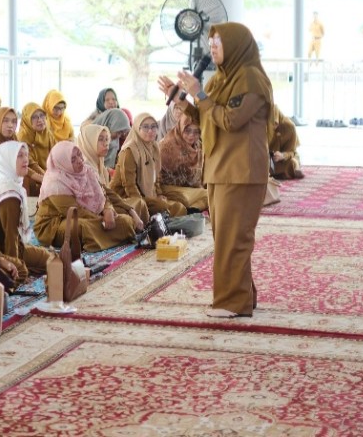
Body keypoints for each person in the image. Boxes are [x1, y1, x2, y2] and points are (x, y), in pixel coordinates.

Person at [159, 21, 273, 318]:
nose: (212, 48)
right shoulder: (220, 80)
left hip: (242, 171)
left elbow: (231, 120)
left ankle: (232, 302)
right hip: (221, 169)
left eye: (217, 43)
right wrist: (182, 98)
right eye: (210, 44)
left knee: (234, 238)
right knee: (225, 237)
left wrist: (199, 94)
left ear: (235, 45)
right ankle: (242, 295)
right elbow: (205, 117)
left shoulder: (251, 79)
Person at [35, 141, 137, 252]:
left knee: (124, 219)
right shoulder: (55, 183)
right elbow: (75, 211)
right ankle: (113, 236)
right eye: (73, 160)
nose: (79, 160)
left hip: (90, 216)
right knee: (84, 227)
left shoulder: (86, 171)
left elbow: (102, 194)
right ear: (63, 163)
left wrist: (108, 210)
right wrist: (102, 219)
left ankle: (108, 235)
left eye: (79, 155)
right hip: (56, 224)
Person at [0, 142, 51, 278]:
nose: (25, 160)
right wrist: (15, 265)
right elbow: (11, 237)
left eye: (26, 155)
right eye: (19, 156)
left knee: (45, 254)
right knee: (51, 260)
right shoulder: (9, 193)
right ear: (7, 160)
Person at [109, 113, 188, 219]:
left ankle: (166, 221)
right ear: (137, 128)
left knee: (181, 199)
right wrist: (142, 204)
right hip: (127, 195)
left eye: (153, 127)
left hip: (149, 192)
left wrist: (158, 194)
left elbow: (156, 176)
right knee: (170, 208)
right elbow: (129, 185)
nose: (150, 131)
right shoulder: (130, 150)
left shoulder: (154, 147)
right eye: (145, 127)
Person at [158, 115, 210, 210]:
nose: (191, 135)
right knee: (208, 195)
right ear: (180, 128)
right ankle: (189, 209)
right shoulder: (168, 147)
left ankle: (191, 210)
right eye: (187, 131)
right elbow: (157, 176)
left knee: (211, 194)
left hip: (189, 190)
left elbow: (201, 174)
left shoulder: (198, 145)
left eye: (196, 132)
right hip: (168, 189)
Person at [16, 102, 53, 195]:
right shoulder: (23, 136)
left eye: (42, 116)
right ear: (27, 120)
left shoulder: (48, 134)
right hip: (32, 175)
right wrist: (47, 177)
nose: (40, 120)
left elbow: (55, 156)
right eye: (34, 117)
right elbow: (30, 164)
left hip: (48, 173)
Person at [268, 104, 303, 180]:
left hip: (285, 158)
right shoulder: (263, 127)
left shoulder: (289, 127)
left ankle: (294, 169)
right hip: (268, 159)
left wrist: (282, 155)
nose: (273, 126)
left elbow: (291, 151)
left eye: (275, 123)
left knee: (292, 163)